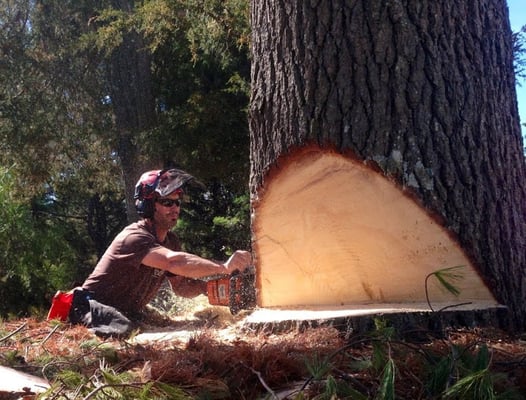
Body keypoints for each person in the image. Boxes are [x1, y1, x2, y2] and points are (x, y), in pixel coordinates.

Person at [67, 168, 252, 337]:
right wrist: (223, 267)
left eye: (177, 203)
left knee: (167, 324)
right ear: (148, 205)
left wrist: (209, 289)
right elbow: (174, 262)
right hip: (89, 306)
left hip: (125, 311)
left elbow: (180, 287)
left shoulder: (171, 241)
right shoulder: (134, 238)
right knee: (125, 331)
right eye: (167, 202)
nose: (175, 208)